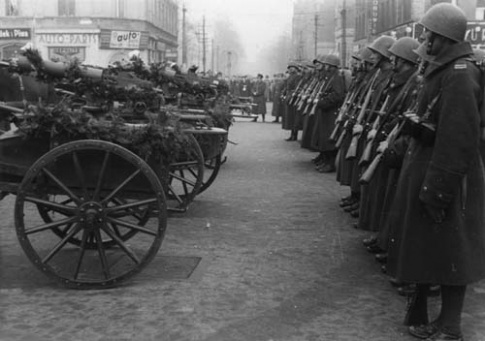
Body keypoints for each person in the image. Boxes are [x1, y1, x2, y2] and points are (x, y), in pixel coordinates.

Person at [385, 4, 485, 341]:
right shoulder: (442, 69)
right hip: (430, 169)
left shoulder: (459, 73)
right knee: (435, 247)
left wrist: (439, 188)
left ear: (444, 37)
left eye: (429, 32)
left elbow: (458, 138)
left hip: (449, 177)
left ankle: (451, 326)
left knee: (452, 251)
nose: (424, 38)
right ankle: (436, 320)